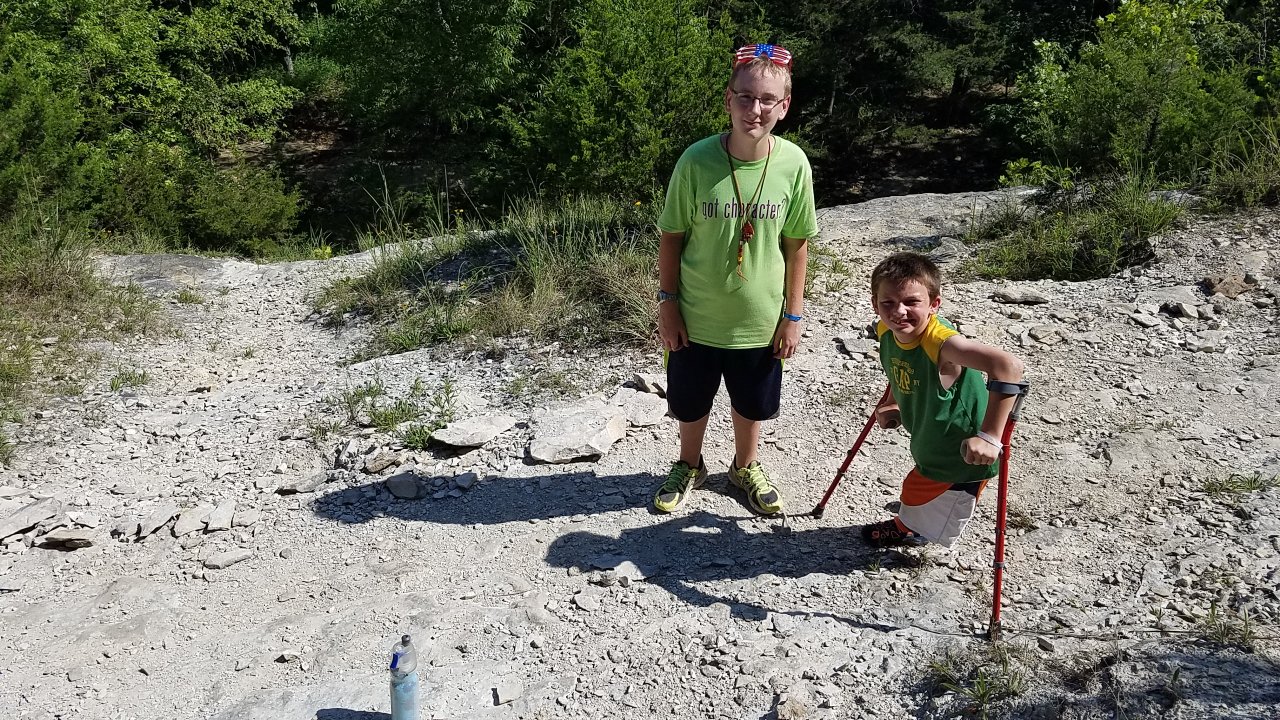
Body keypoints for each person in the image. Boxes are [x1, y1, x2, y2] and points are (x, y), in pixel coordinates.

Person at [651, 43, 818, 516]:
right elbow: (672, 236)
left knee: (752, 403)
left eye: (767, 99)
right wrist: (667, 303)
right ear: (728, 99)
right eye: (745, 97)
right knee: (689, 401)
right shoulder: (696, 161)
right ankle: (690, 464)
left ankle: (745, 466)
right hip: (697, 317)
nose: (754, 109)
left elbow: (797, 245)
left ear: (784, 106)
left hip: (760, 320)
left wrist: (793, 316)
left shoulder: (793, 164)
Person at [861, 252, 1025, 548]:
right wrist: (893, 401)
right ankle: (913, 524)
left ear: (934, 304)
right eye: (888, 303)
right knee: (919, 492)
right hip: (931, 438)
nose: (899, 312)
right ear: (875, 304)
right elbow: (901, 367)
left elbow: (1007, 366)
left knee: (921, 495)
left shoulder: (941, 343)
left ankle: (910, 531)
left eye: (911, 302)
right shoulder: (887, 331)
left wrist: (990, 437)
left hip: (961, 452)